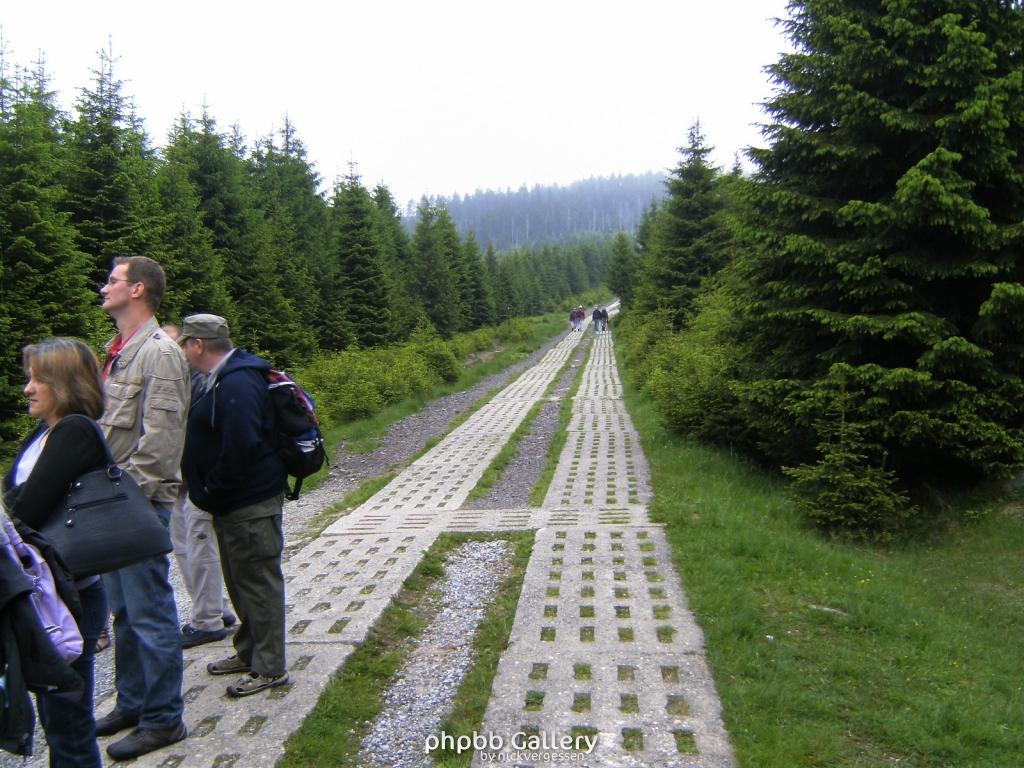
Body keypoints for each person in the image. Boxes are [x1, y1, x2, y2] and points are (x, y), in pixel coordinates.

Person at [94, 256, 189, 760]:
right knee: (125, 615)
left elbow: (160, 445)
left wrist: (123, 502)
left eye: (112, 280)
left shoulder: (159, 354)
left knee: (150, 616)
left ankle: (164, 719)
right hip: (112, 506)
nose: (103, 287)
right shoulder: (118, 352)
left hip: (137, 507)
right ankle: (131, 703)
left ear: (138, 290)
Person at [2, 338, 109, 768]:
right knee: (57, 714)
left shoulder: (74, 430)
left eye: (38, 379)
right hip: (50, 589)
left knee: (68, 721)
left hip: (72, 593)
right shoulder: (45, 433)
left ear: (63, 383)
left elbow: (25, 508)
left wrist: (13, 507)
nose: (27, 388)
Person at [179, 313, 290, 697]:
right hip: (233, 504)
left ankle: (270, 667)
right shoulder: (223, 377)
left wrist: (211, 490)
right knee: (241, 582)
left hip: (248, 502)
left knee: (258, 582)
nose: (183, 351)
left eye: (185, 343)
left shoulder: (238, 382)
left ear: (198, 345)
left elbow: (241, 446)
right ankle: (248, 651)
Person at [161, 324, 237, 648]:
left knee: (198, 543)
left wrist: (188, 472)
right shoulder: (187, 379)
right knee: (186, 545)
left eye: (175, 344)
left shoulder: (197, 380)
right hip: (182, 479)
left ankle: (207, 619)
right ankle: (216, 608)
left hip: (193, 481)